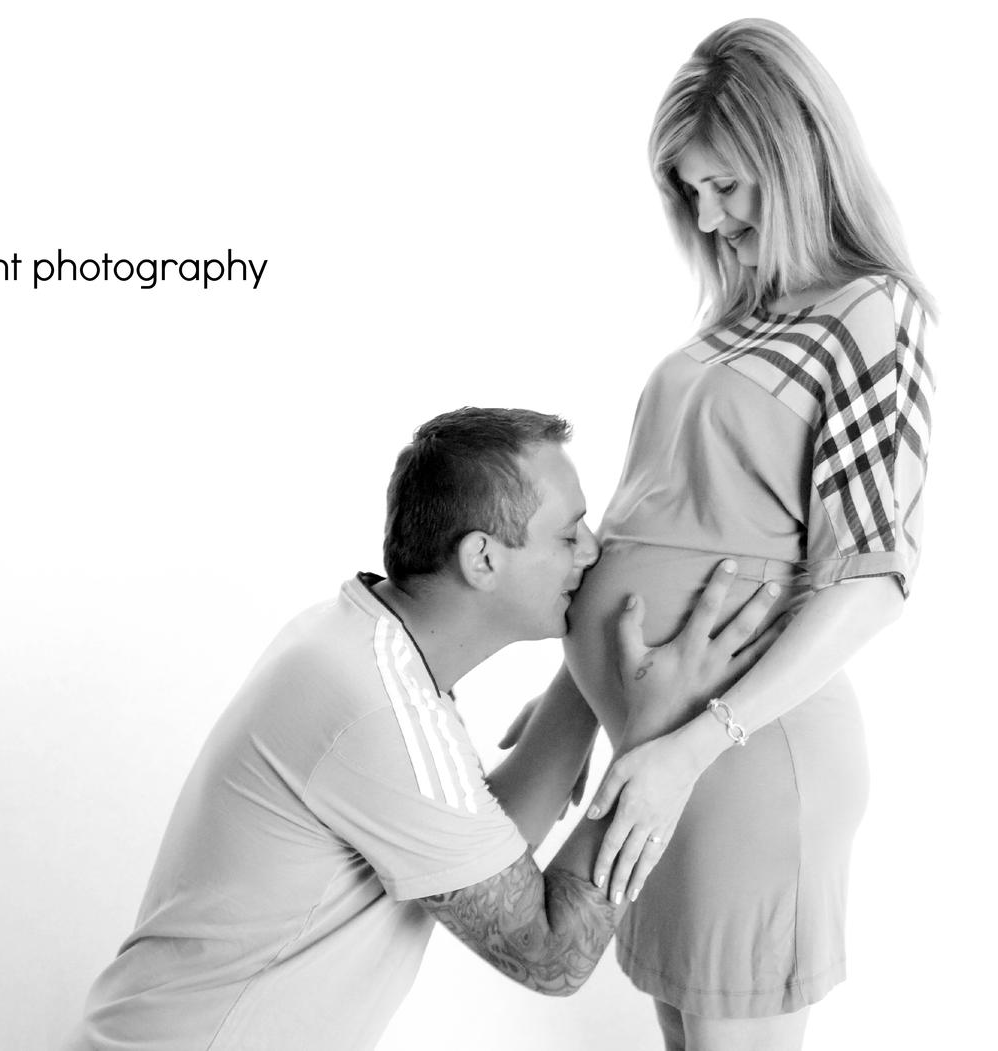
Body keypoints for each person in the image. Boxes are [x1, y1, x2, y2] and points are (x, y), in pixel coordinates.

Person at [63, 407, 784, 1051]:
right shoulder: (377, 710)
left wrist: (595, 682)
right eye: (569, 535)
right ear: (482, 558)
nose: (592, 552)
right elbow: (549, 954)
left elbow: (482, 849)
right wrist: (655, 733)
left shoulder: (364, 646)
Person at [554, 19, 938, 1051]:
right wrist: (577, 697)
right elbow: (649, 529)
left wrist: (695, 743)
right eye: (689, 191)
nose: (709, 218)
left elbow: (872, 578)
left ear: (798, 154)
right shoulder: (736, 321)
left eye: (727, 185)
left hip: (746, 752)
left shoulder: (867, 313)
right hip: (660, 752)